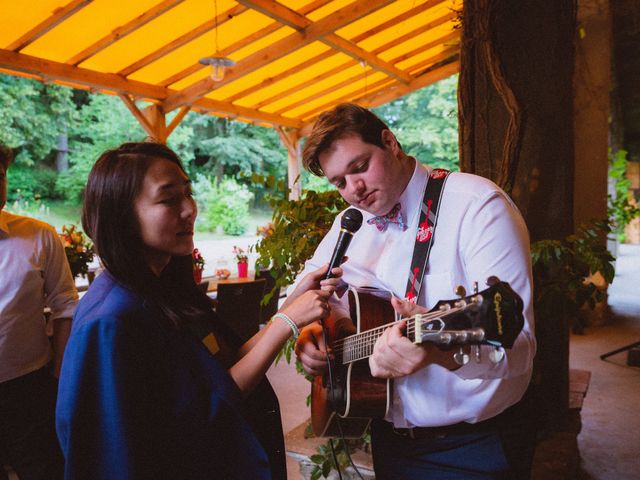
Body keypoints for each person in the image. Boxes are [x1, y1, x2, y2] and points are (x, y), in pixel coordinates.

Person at [55, 142, 341, 480]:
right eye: (169, 199)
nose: (189, 209)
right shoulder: (112, 320)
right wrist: (286, 322)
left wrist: (291, 306)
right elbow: (199, 414)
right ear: (122, 215)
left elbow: (224, 370)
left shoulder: (164, 291)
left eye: (188, 194)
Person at [293, 104, 537, 479]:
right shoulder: (349, 224)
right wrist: (311, 334)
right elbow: (301, 294)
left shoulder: (477, 207)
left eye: (359, 167)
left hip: (472, 448)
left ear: (390, 143)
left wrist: (440, 351)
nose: (353, 190)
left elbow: (519, 350)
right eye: (338, 182)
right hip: (388, 439)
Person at [0, 145, 78, 480]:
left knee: (43, 470)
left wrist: (58, 380)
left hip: (28, 388)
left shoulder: (39, 237)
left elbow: (67, 308)